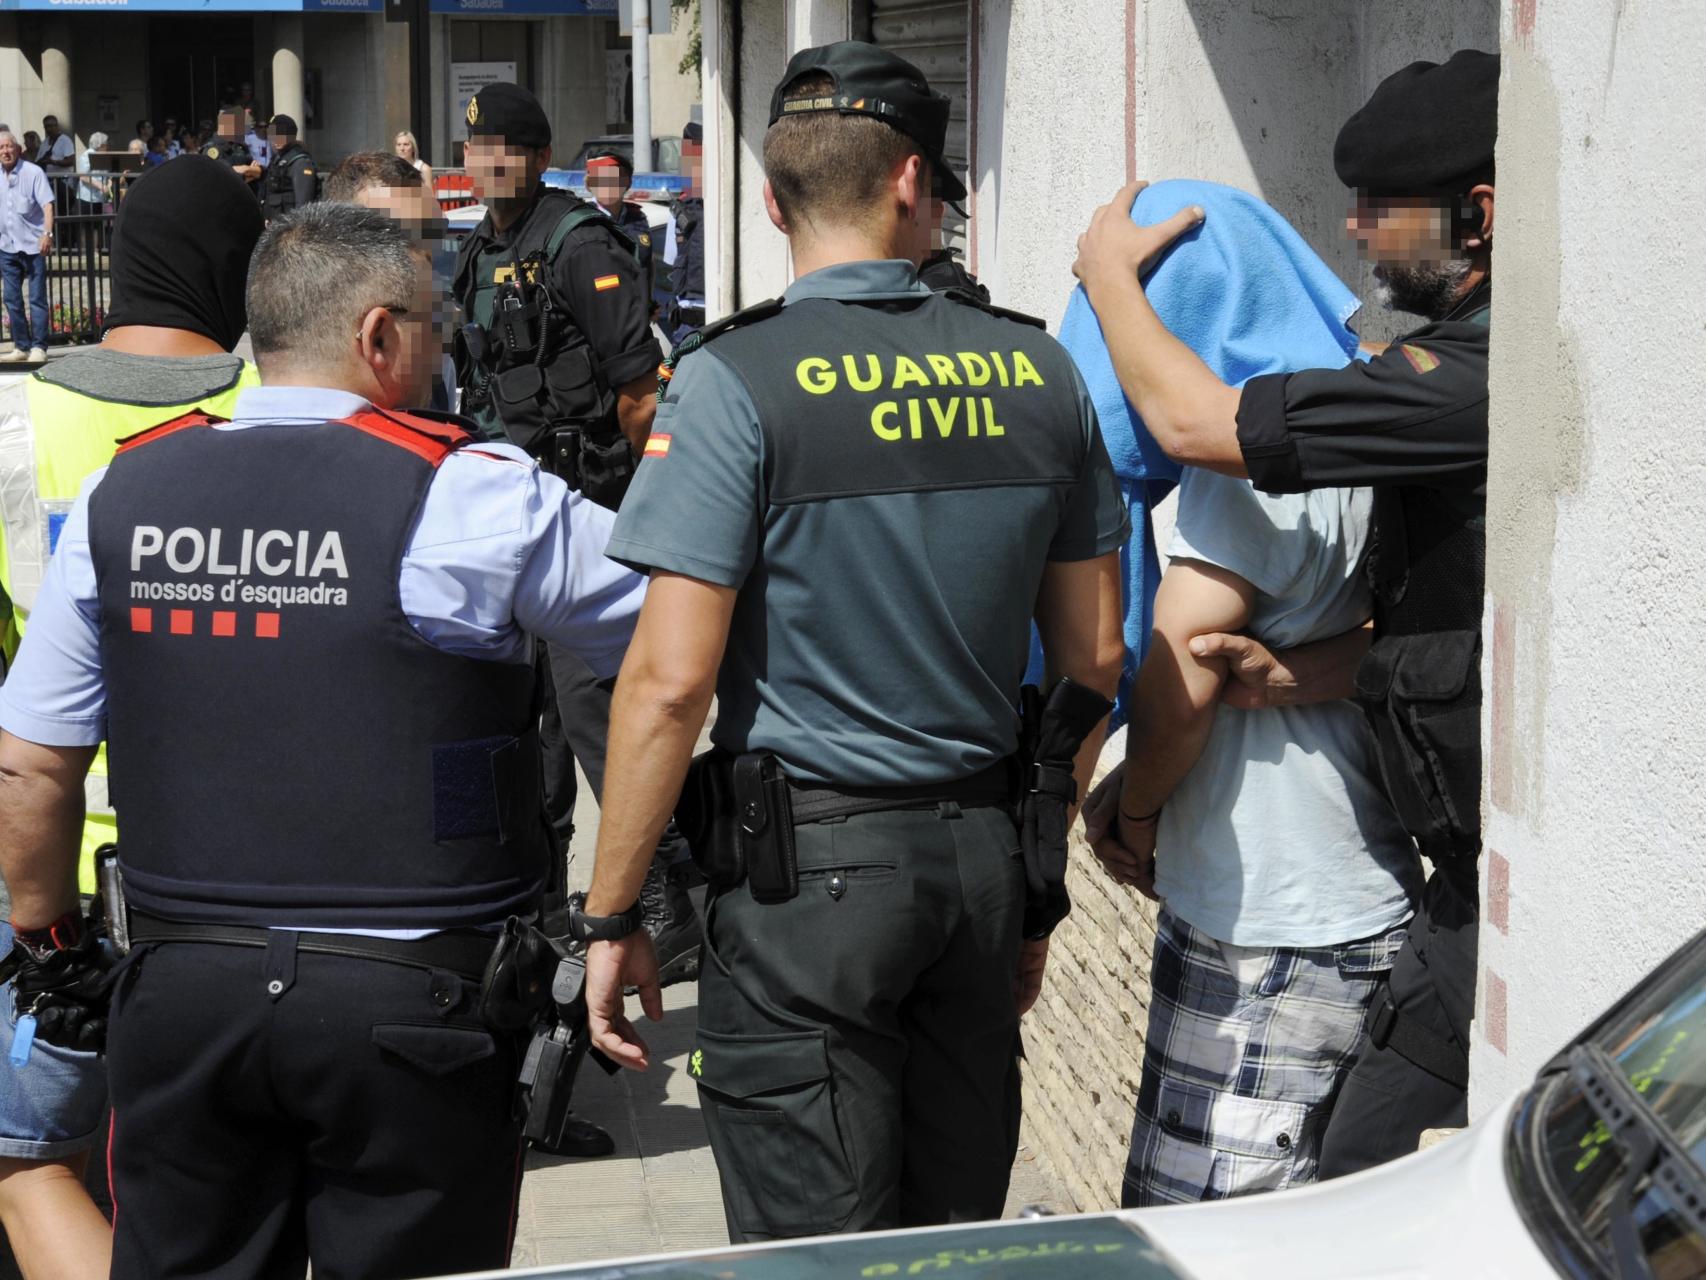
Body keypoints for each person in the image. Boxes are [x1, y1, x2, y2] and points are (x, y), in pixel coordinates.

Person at [0, 200, 647, 1279]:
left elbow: (28, 761)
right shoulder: (471, 490)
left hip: (185, 987)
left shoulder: (125, 488)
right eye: (435, 327)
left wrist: (51, 946)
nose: (445, 354)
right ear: (379, 335)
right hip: (414, 1002)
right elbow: (673, 633)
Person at [581, 41, 1128, 1240]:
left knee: (815, 1250)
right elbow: (1093, 658)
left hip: (806, 892)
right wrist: (1033, 885)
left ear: (772, 201)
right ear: (913, 181)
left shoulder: (731, 380)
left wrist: (612, 915)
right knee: (945, 1240)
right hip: (978, 865)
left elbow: (668, 685)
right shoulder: (1038, 369)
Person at [1073, 49, 1498, 1176]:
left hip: (1290, 907)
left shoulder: (1463, 377)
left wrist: (1109, 283)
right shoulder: (1400, 379)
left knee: (1232, 1214)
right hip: (1396, 884)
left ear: (1480, 215)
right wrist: (1304, 672)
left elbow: (1194, 427)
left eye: (1385, 209)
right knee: (1339, 1179)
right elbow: (1451, 616)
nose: (1356, 232)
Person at [0, 156, 264, 1280]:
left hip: (47, 870)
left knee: (32, 1164)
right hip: (248, 879)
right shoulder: (279, 413)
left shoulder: (19, 423)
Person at [451, 82, 700, 987]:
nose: (490, 163)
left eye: (507, 148)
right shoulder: (482, 252)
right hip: (508, 520)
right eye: (478, 149)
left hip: (586, 515)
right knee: (536, 728)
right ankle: (545, 909)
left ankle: (668, 901)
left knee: (598, 714)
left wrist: (639, 515)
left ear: (537, 154)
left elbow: (641, 393)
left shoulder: (577, 241)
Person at [0, 129, 54, 364]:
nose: (5, 151)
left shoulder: (33, 172)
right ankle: (21, 346)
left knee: (37, 299)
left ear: (18, 149)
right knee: (11, 298)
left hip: (33, 246)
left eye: (9, 146)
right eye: (1, 148)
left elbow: (48, 206)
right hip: (6, 245)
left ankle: (39, 346)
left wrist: (47, 234)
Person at [584, 148, 655, 315]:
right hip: (598, 318)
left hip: (637, 319)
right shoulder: (583, 220)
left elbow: (647, 267)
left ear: (627, 182)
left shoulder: (638, 219)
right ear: (589, 184)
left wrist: (650, 303)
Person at [661, 120, 706, 345]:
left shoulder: (724, 211)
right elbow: (671, 263)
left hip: (718, 323)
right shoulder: (680, 211)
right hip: (685, 328)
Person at [261, 114, 317, 221]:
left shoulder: (300, 162)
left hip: (289, 226)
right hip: (275, 224)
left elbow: (303, 205)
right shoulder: (277, 159)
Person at [202, 107, 262, 194]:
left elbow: (259, 171)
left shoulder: (240, 146)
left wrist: (246, 169)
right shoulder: (212, 149)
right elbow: (227, 176)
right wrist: (250, 173)